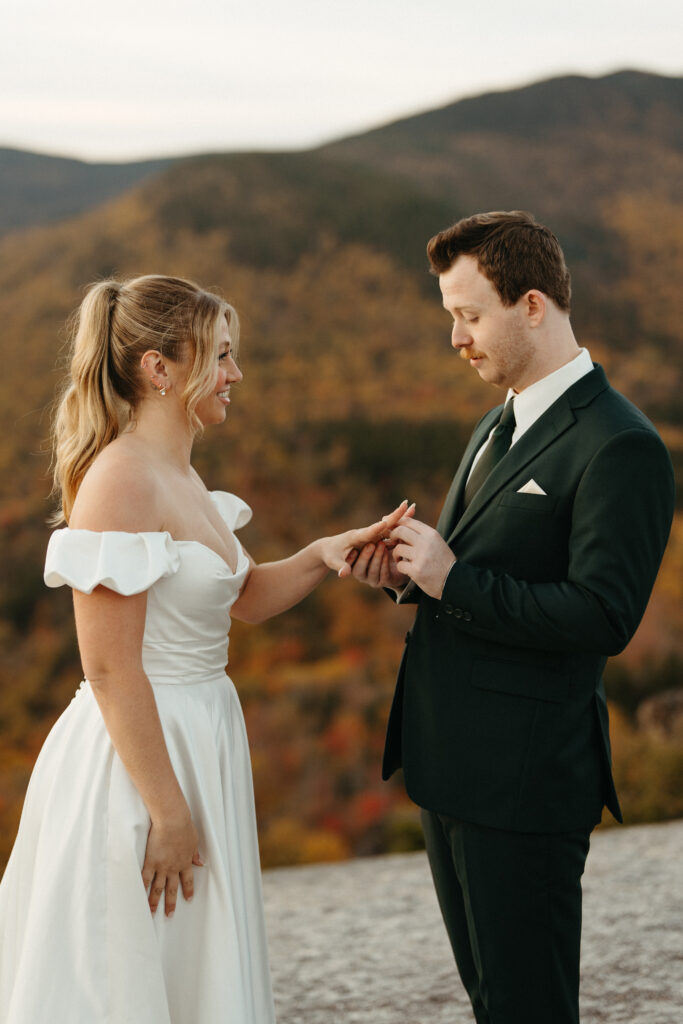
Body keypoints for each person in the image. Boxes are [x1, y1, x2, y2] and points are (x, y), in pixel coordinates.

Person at [0, 274, 409, 1024]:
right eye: (220, 356)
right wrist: (166, 811)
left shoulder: (181, 475)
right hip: (139, 763)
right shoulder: (121, 479)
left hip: (199, 740)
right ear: (161, 369)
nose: (235, 375)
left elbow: (241, 598)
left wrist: (322, 554)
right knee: (131, 971)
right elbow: (110, 665)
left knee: (194, 970)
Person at [350, 212, 675, 1024]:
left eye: (468, 315)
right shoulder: (497, 419)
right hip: (447, 768)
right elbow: (480, 574)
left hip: (526, 783)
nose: (455, 338)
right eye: (450, 318)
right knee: (489, 1002)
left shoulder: (620, 445)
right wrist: (406, 576)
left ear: (532, 305)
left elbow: (602, 617)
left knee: (527, 1009)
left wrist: (451, 580)